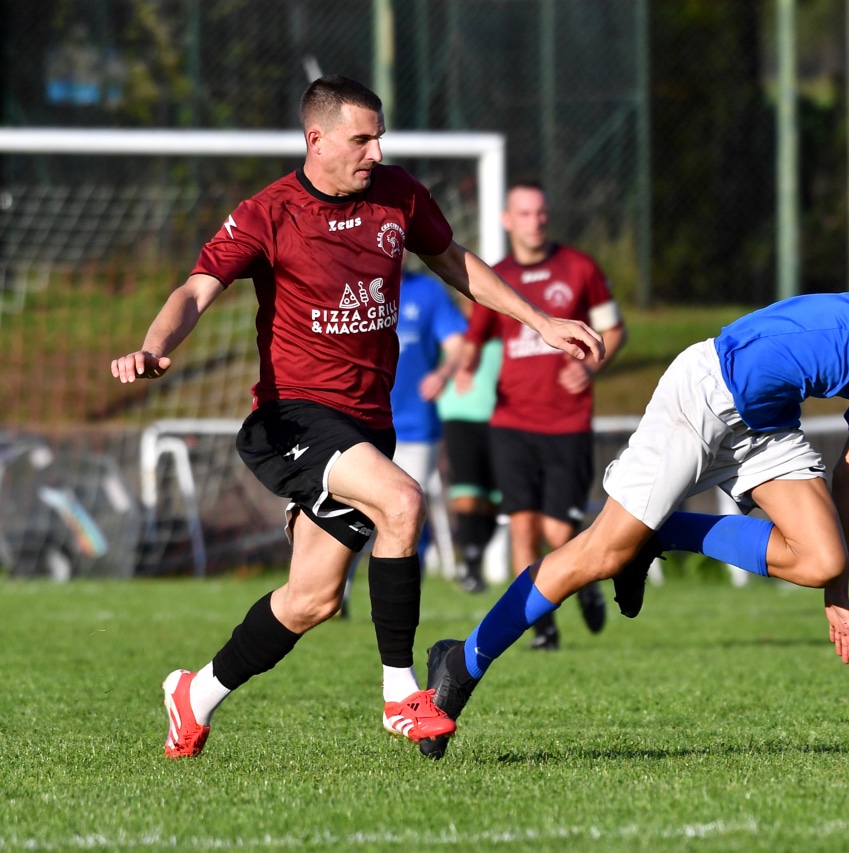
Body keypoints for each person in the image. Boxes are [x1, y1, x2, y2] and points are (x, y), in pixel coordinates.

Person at [109, 75, 603, 759]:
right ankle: (401, 694)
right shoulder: (267, 213)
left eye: (379, 137)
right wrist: (154, 346)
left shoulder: (398, 194)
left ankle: (193, 697)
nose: (376, 152)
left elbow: (453, 260)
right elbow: (196, 290)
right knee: (404, 500)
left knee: (311, 600)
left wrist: (540, 321)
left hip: (368, 421)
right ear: (316, 140)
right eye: (361, 139)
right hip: (293, 418)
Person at [418, 263, 849, 759]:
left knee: (819, 557)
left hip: (765, 420)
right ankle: (459, 664)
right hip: (708, 389)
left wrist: (837, 588)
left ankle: (661, 534)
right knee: (599, 553)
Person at [462, 180, 628, 650]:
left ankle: (587, 583)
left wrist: (591, 366)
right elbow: (475, 338)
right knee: (523, 528)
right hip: (511, 422)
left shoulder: (580, 268)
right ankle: (542, 629)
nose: (535, 222)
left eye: (541, 213)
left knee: (557, 531)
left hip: (567, 423)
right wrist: (461, 370)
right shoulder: (497, 279)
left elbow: (613, 330)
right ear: (507, 220)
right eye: (525, 213)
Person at [339, 268, 467, 617]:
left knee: (406, 512)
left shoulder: (429, 291)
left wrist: (442, 374)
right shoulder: (350, 285)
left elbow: (457, 344)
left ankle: (400, 602)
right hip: (359, 422)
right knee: (357, 512)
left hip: (416, 427)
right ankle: (338, 592)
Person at [438, 330, 504, 594]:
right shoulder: (453, 330)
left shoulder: (511, 326)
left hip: (502, 418)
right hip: (460, 415)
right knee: (466, 490)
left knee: (496, 498)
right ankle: (470, 563)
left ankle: (475, 555)